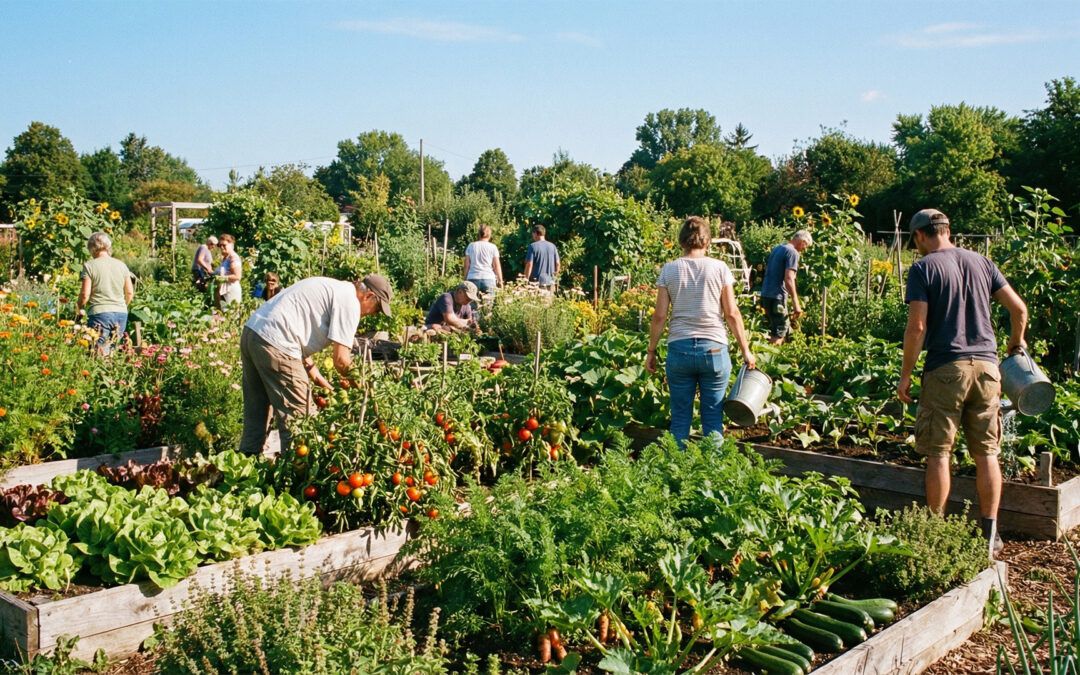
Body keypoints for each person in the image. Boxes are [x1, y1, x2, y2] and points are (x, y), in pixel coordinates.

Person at [896, 208, 1029, 557]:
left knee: (939, 453)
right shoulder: (982, 262)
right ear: (947, 230)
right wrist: (1017, 343)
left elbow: (917, 328)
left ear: (921, 235)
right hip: (987, 369)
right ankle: (990, 534)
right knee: (987, 452)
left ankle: (934, 533)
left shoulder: (924, 268)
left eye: (915, 242)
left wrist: (906, 374)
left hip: (946, 368)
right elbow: (1019, 309)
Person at [239, 274, 393, 455]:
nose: (374, 314)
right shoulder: (350, 302)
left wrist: (312, 369)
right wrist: (364, 391)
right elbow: (342, 361)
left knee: (256, 412)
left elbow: (294, 318)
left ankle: (244, 471)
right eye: (377, 308)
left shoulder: (334, 287)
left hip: (253, 333)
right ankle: (293, 477)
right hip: (278, 343)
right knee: (301, 423)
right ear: (368, 296)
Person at [646, 216, 757, 446]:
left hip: (680, 349)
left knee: (679, 419)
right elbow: (732, 313)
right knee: (713, 418)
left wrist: (651, 351)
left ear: (682, 241)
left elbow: (659, 316)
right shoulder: (720, 268)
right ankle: (713, 476)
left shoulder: (670, 269)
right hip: (714, 350)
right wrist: (745, 349)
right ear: (707, 241)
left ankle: (677, 474)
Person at [75, 232, 134, 355]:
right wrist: (122, 306)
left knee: (99, 352)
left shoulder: (89, 266)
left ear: (91, 248)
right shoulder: (121, 265)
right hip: (121, 313)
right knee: (113, 350)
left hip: (100, 313)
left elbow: (85, 294)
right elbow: (129, 292)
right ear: (108, 247)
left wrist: (78, 309)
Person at [759, 230, 813, 344]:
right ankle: (772, 360)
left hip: (766, 294)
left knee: (775, 328)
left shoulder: (779, 248)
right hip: (777, 296)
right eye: (805, 246)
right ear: (802, 241)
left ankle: (769, 356)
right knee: (781, 329)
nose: (804, 249)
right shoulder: (792, 252)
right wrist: (796, 303)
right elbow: (788, 279)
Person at [463, 224, 503, 298]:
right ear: (489, 234)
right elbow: (496, 266)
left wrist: (465, 279)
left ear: (479, 234)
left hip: (472, 278)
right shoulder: (493, 247)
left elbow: (467, 265)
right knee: (488, 306)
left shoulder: (471, 246)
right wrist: (500, 281)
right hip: (488, 278)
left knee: (472, 307)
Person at [523, 224, 560, 291]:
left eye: (533, 234)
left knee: (536, 301)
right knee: (549, 301)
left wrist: (525, 280)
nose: (532, 236)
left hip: (536, 283)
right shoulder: (552, 246)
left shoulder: (533, 246)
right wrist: (554, 278)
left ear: (536, 233)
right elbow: (557, 263)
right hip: (550, 282)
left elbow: (529, 264)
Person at [214, 234, 242, 308]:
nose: (222, 247)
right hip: (223, 292)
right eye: (220, 245)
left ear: (231, 245)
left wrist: (222, 278)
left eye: (224, 245)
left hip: (231, 291)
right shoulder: (225, 258)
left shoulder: (233, 257)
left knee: (230, 314)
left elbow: (237, 276)